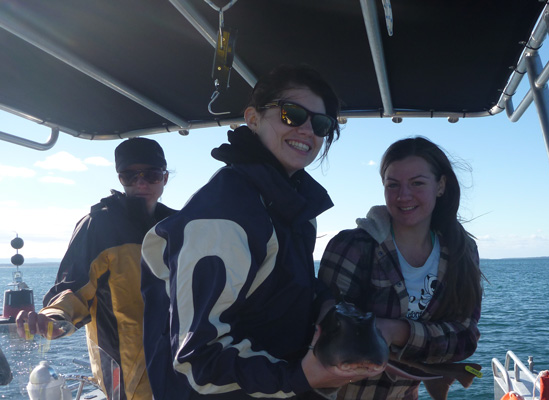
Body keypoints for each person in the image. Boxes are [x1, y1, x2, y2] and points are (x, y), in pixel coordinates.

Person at [141, 64, 379, 400]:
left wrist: (328, 310)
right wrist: (299, 377)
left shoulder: (292, 207)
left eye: (321, 123)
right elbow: (199, 360)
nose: (308, 129)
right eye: (292, 114)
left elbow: (290, 290)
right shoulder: (223, 218)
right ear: (253, 118)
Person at [318, 137, 483, 400]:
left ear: (441, 186)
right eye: (392, 185)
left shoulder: (462, 251)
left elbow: (465, 336)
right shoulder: (351, 246)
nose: (403, 195)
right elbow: (323, 332)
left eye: (417, 183)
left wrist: (397, 331)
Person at [16, 137, 175, 400]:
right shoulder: (98, 225)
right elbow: (72, 290)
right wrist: (52, 317)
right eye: (129, 176)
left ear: (165, 178)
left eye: (152, 174)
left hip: (182, 373)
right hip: (126, 384)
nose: (142, 182)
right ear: (120, 179)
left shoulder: (178, 225)